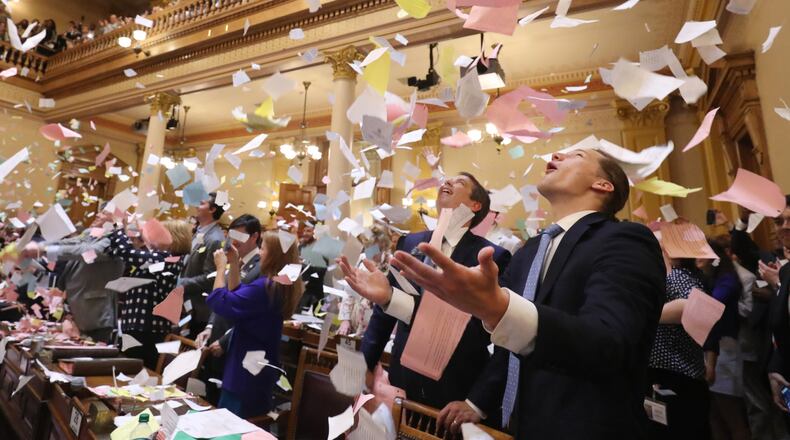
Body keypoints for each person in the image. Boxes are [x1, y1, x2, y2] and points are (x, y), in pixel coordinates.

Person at [390, 149, 665, 439]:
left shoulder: (625, 239)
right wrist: (388, 299)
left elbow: (609, 342)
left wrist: (499, 309)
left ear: (602, 185)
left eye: (577, 155)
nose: (557, 153)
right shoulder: (530, 251)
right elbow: (500, 339)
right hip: (517, 423)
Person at [340, 172, 512, 432]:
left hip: (453, 383)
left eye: (460, 183)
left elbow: (497, 333)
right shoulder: (411, 242)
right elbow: (384, 311)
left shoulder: (490, 256)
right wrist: (365, 362)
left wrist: (476, 401)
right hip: (402, 376)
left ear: (476, 205)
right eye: (447, 180)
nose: (448, 183)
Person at [206, 231, 304, 418]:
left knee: (231, 428)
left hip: (244, 376)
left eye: (263, 248)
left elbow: (220, 302)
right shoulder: (276, 285)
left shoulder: (265, 287)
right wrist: (234, 263)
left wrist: (221, 269)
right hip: (255, 370)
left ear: (275, 255)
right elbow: (238, 293)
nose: (259, 253)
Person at [20, 209, 124, 343]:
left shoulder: (115, 241)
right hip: (73, 315)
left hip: (95, 318)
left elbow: (88, 253)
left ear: (115, 219)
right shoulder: (89, 235)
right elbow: (68, 244)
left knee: (88, 362)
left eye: (103, 213)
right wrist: (40, 248)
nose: (97, 214)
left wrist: (44, 250)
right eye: (98, 211)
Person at [196, 214, 262, 405]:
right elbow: (221, 297)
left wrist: (225, 341)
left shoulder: (259, 266)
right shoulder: (233, 260)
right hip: (215, 338)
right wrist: (209, 327)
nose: (234, 241)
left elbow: (250, 313)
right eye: (232, 235)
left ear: (254, 237)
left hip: (235, 344)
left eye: (240, 236)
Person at [109, 220, 192, 369]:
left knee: (136, 374)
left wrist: (119, 228)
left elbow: (127, 253)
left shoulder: (169, 260)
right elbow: (122, 252)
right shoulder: (158, 257)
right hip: (137, 328)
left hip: (148, 332)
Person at [647, 257, 712, 439]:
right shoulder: (665, 277)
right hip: (670, 374)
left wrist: (643, 316)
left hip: (678, 374)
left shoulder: (678, 276)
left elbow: (691, 307)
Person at [700, 240, 750, 440]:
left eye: (702, 256)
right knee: (714, 416)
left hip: (725, 348)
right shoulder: (712, 279)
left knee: (732, 415)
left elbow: (711, 304)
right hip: (712, 347)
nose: (698, 260)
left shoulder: (727, 280)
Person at [179, 193, 225, 339]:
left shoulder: (215, 239)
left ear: (212, 209)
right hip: (184, 302)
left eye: (202, 203)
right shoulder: (199, 232)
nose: (197, 206)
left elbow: (211, 277)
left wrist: (181, 283)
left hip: (197, 308)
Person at [765, 198, 790, 429]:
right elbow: (781, 327)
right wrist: (775, 368)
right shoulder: (786, 273)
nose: (784, 226)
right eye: (779, 221)